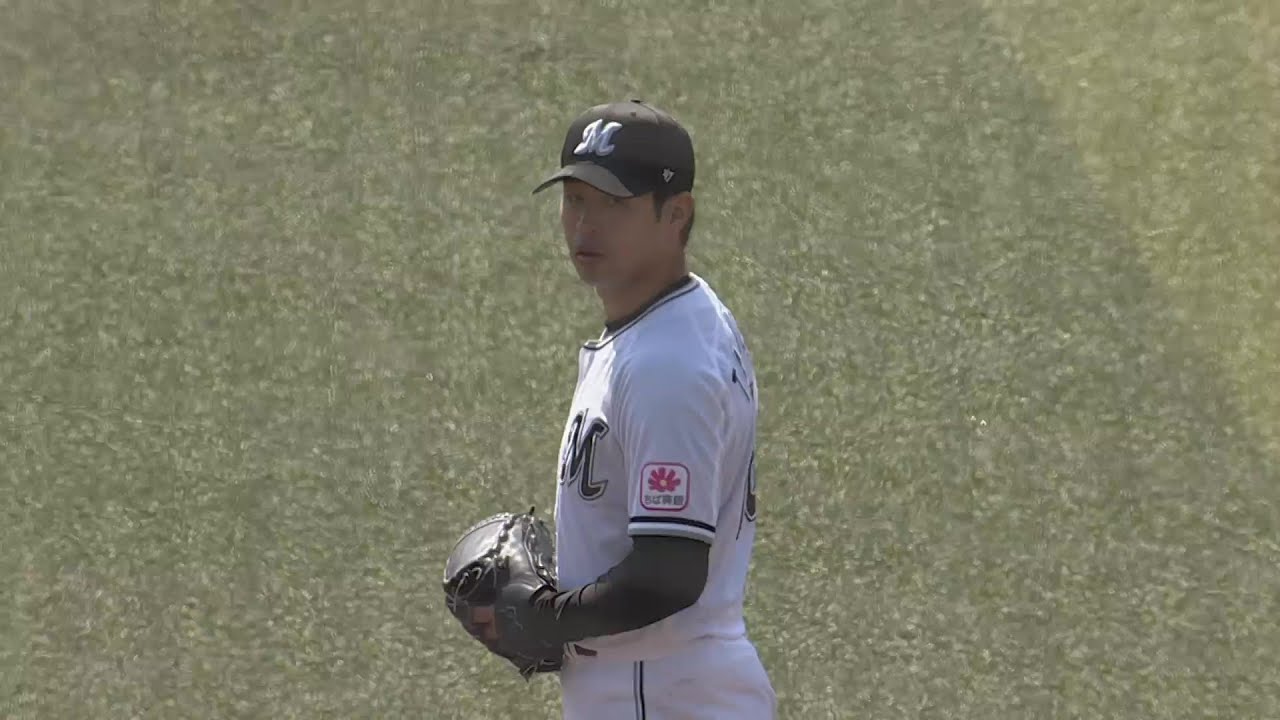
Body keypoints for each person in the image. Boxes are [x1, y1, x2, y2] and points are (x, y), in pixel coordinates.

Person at [472, 99, 776, 719]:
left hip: (657, 691)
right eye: (575, 200)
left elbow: (668, 574)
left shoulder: (668, 364)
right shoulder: (676, 322)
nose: (586, 225)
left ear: (677, 214)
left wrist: (541, 615)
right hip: (664, 684)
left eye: (615, 204)